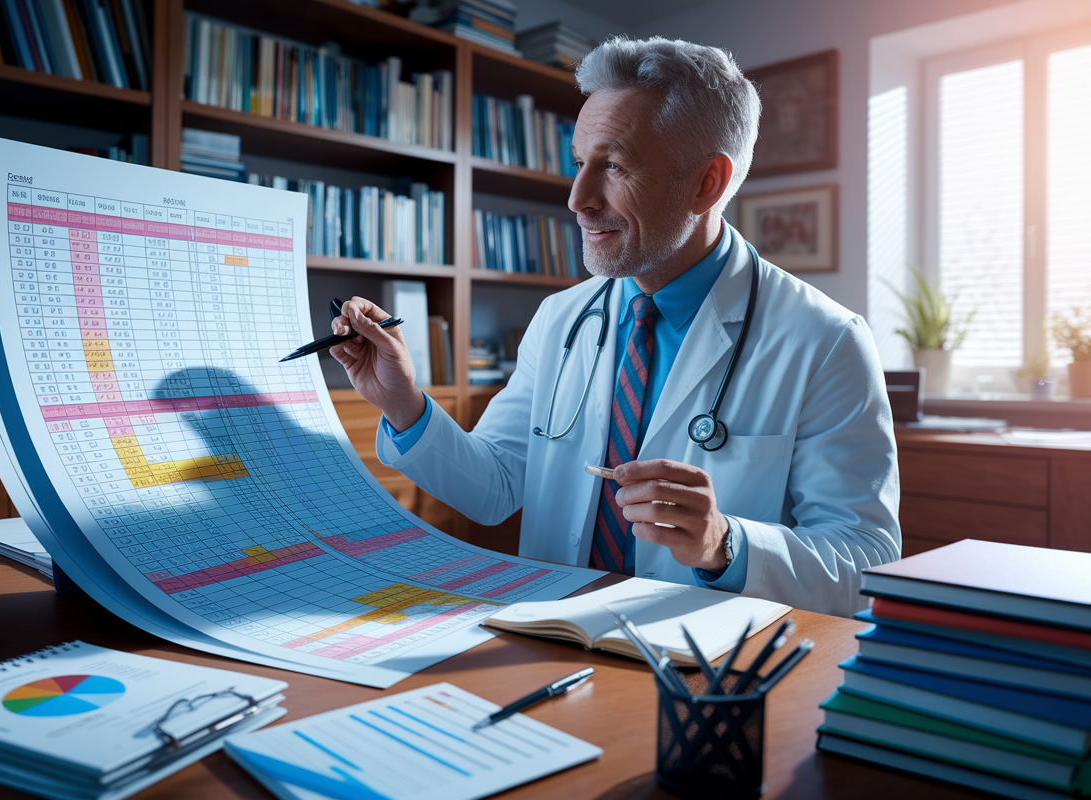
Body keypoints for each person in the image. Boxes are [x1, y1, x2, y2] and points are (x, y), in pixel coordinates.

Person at [328, 37, 900, 617]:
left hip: (699, 665)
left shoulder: (825, 340)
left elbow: (866, 563)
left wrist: (725, 543)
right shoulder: (560, 319)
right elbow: (495, 487)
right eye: (579, 163)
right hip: (552, 634)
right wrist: (403, 404)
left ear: (707, 183)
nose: (577, 198)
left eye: (614, 166)